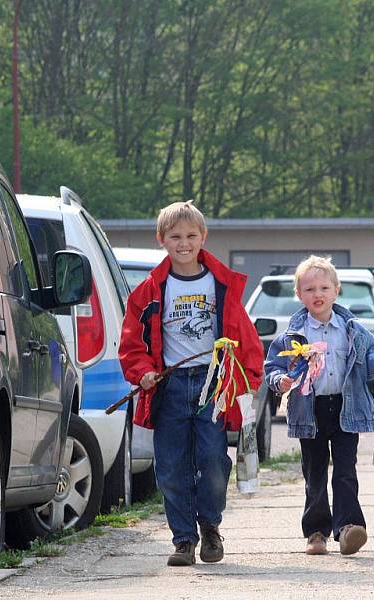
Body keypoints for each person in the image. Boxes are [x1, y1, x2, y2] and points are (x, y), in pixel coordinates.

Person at [118, 200, 263, 567]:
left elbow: (244, 336)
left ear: (203, 237)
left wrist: (251, 378)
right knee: (170, 465)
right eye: (175, 236)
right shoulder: (150, 291)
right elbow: (132, 343)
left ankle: (210, 526)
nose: (184, 243)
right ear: (161, 239)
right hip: (169, 386)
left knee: (214, 459)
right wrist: (143, 372)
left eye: (191, 235)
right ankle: (183, 540)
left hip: (213, 386)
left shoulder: (221, 285)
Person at [264, 255, 374, 556]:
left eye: (324, 287)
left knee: (345, 470)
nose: (318, 294)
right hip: (309, 411)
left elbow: (368, 359)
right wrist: (280, 381)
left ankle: (349, 527)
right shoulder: (292, 335)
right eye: (309, 289)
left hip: (345, 408)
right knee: (314, 473)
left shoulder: (352, 329)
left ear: (336, 290)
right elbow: (272, 367)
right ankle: (316, 531)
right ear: (299, 295)